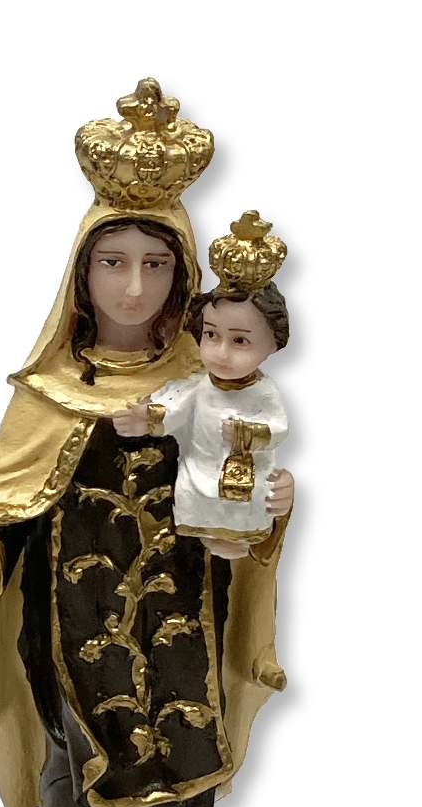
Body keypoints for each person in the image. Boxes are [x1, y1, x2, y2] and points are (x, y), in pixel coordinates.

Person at [0, 81, 293, 807]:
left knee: (180, 766)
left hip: (180, 624)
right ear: (79, 275)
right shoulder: (49, 395)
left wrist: (270, 514)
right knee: (80, 768)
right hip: (75, 626)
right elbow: (12, 506)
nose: (134, 286)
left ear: (185, 274)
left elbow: (237, 493)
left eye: (156, 264)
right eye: (113, 262)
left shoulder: (206, 387)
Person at [115, 211, 291, 562]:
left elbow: (278, 428)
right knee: (193, 494)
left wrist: (247, 433)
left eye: (240, 341)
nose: (221, 353)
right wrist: (146, 418)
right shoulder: (199, 386)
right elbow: (176, 408)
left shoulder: (263, 391)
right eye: (211, 335)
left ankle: (236, 538)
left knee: (250, 500)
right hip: (199, 471)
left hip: (242, 473)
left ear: (273, 343)